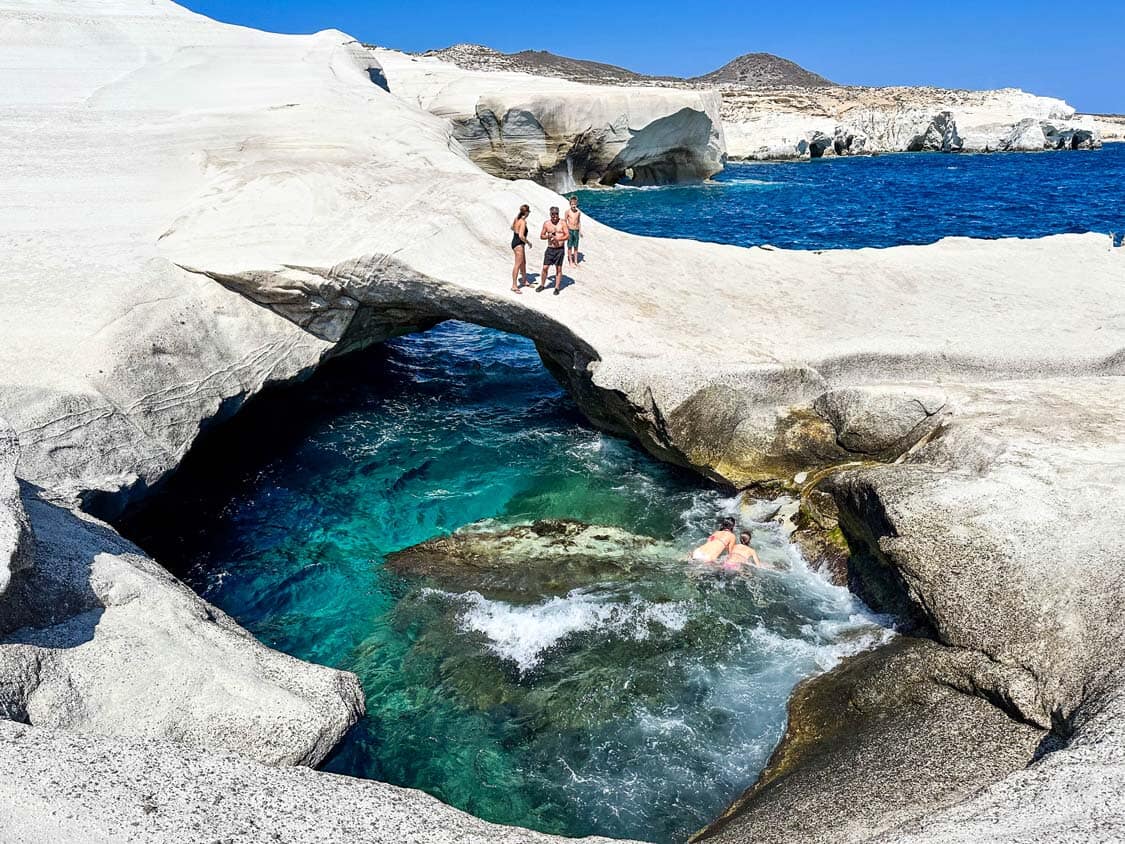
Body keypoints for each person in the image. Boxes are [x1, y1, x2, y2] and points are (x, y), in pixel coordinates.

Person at [538, 206, 569, 295]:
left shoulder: (562, 223)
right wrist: (549, 236)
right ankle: (542, 285)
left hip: (559, 249)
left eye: (556, 214)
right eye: (553, 214)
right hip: (550, 249)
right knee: (545, 268)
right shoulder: (547, 224)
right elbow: (541, 236)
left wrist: (558, 239)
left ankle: (557, 287)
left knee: (558, 268)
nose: (555, 216)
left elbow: (567, 235)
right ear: (550, 214)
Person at [510, 205, 532, 293]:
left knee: (523, 262)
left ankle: (524, 280)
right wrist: (528, 242)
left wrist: (516, 229)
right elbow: (521, 236)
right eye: (528, 212)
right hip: (519, 244)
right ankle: (514, 286)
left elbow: (512, 227)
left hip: (515, 241)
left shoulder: (516, 218)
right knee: (517, 264)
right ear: (526, 212)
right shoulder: (522, 221)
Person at [564, 195, 582, 268]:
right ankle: (570, 261)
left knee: (576, 246)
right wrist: (565, 231)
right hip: (570, 230)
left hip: (576, 230)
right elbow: (565, 221)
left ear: (577, 204)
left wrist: (580, 231)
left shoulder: (578, 212)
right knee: (569, 246)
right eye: (572, 204)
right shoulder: (567, 212)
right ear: (570, 204)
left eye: (575, 204)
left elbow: (579, 222)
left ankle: (576, 261)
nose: (573, 206)